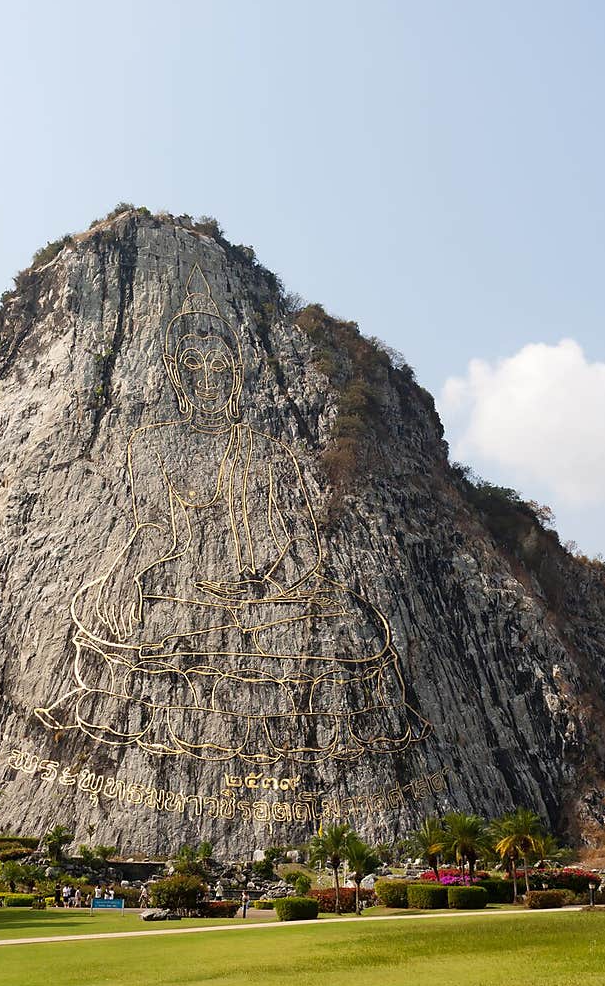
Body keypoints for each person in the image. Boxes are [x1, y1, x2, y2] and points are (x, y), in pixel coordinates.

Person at [35, 268, 431, 766]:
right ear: (176, 374)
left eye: (219, 366)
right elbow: (154, 527)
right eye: (193, 365)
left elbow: (303, 542)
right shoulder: (152, 443)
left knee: (351, 619)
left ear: (237, 375)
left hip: (265, 595)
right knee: (140, 617)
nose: (207, 378)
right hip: (184, 588)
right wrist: (129, 574)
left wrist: (269, 581)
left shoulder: (268, 450)